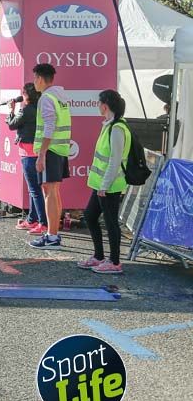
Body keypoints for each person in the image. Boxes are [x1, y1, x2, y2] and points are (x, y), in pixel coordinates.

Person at [76, 90, 130, 274]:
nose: (98, 106)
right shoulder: (109, 125)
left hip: (109, 186)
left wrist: (104, 186)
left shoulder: (117, 129)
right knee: (90, 216)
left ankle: (114, 262)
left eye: (99, 103)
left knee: (111, 222)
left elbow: (115, 161)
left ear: (105, 106)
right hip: (101, 184)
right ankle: (99, 256)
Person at [29, 63, 72, 249]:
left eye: (34, 78)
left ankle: (52, 236)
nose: (34, 82)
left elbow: (49, 126)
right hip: (60, 149)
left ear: (39, 78)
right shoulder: (60, 96)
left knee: (49, 192)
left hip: (51, 150)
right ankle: (53, 234)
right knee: (53, 192)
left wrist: (42, 154)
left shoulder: (46, 98)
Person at [7, 84, 47, 233]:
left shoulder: (26, 110)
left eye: (23, 94)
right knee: (35, 189)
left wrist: (11, 110)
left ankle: (42, 222)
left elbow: (12, 125)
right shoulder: (41, 108)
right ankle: (32, 219)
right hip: (37, 151)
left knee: (34, 190)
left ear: (27, 95)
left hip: (28, 153)